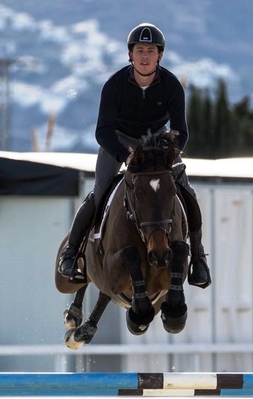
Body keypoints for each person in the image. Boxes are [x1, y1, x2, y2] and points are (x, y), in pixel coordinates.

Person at [58, 22, 211, 289]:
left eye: (150, 51)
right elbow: (102, 131)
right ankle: (72, 253)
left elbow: (181, 132)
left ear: (159, 56)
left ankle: (198, 258)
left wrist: (169, 153)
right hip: (119, 140)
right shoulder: (114, 85)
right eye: (139, 50)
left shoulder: (172, 86)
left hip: (159, 143)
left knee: (187, 192)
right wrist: (124, 155)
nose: (144, 56)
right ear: (130, 54)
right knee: (100, 192)